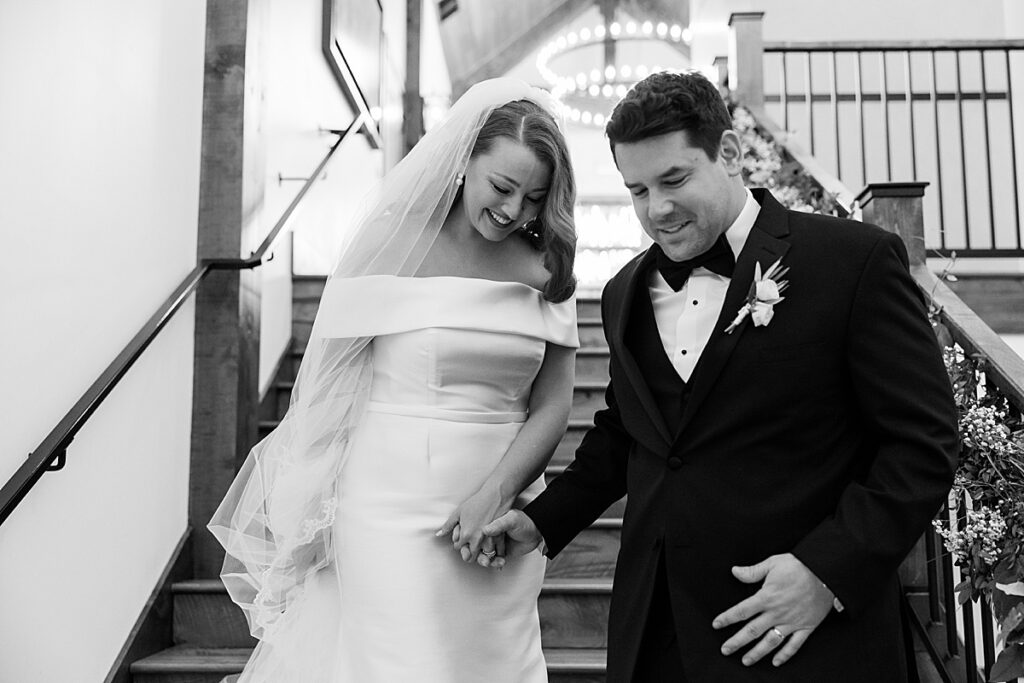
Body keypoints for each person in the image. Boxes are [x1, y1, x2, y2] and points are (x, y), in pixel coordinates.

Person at [484, 71, 958, 682]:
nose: (657, 209)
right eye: (637, 190)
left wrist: (826, 571)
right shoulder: (625, 291)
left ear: (730, 154)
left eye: (674, 180)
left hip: (803, 639)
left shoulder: (854, 261)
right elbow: (629, 435)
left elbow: (924, 443)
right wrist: (541, 520)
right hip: (658, 634)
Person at [208, 77, 579, 682]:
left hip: (499, 515)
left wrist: (498, 491)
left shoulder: (547, 265)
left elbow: (553, 407)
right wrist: (310, 510)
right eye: (502, 187)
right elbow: (331, 384)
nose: (514, 211)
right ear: (464, 163)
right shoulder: (391, 245)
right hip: (386, 504)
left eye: (535, 198)